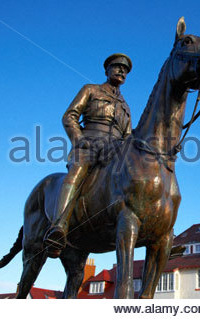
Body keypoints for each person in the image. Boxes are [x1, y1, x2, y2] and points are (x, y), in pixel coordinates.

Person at [43, 53, 133, 258]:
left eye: (125, 70)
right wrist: (79, 140)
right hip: (88, 144)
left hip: (115, 152)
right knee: (77, 172)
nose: (121, 71)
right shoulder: (90, 90)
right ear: (107, 70)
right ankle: (59, 227)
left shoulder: (126, 107)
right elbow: (70, 116)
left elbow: (128, 136)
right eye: (117, 67)